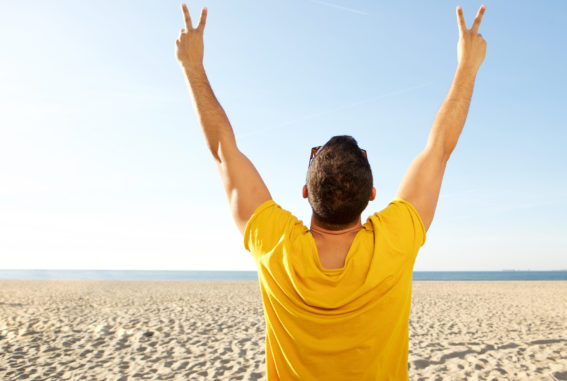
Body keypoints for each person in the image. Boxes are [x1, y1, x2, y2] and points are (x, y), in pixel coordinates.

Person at [176, 3, 486, 379]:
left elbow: (223, 151)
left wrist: (192, 66)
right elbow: (439, 150)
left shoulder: (276, 243)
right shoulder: (394, 240)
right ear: (372, 195)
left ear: (306, 191)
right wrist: (467, 66)